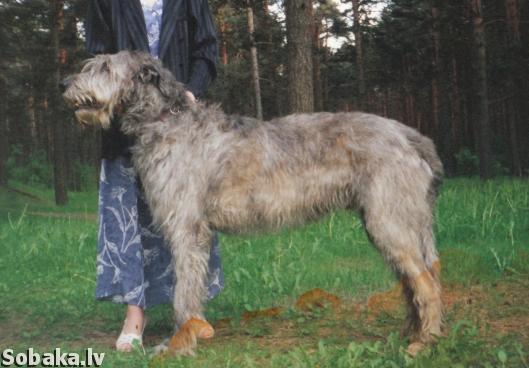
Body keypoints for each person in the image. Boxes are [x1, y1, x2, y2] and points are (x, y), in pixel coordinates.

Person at [85, 0, 224, 352]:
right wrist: (115, 91)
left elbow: (207, 49)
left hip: (179, 123)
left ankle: (192, 311)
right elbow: (97, 53)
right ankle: (135, 316)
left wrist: (191, 90)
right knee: (129, 217)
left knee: (187, 221)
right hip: (125, 123)